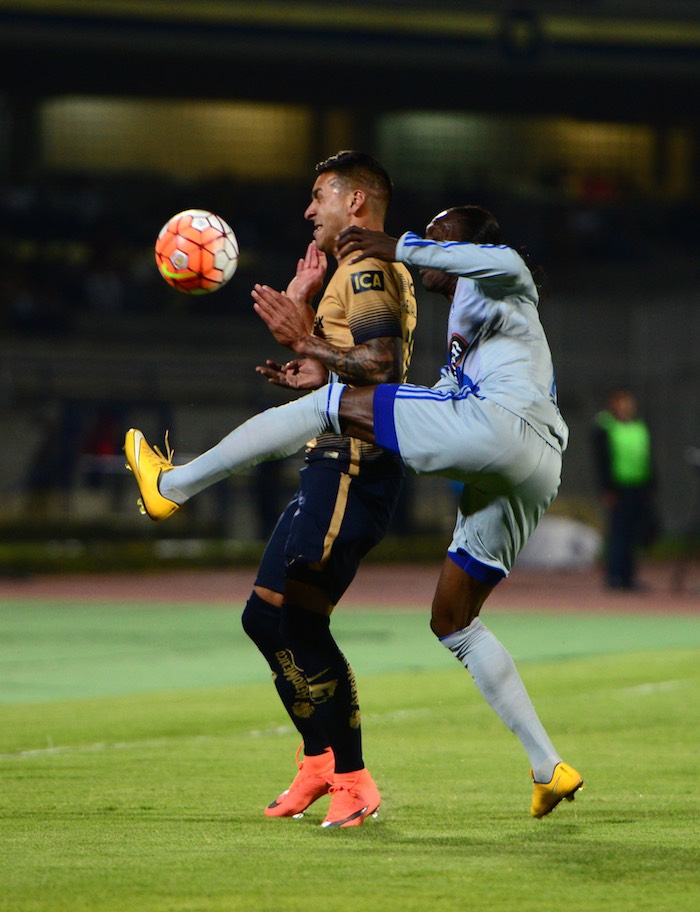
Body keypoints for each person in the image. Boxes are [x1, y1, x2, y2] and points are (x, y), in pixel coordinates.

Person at [125, 204, 584, 822]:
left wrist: (397, 244)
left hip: (501, 428)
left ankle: (173, 484)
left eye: (442, 231)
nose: (429, 237)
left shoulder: (502, 270)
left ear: (470, 242)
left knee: (332, 408)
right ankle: (547, 766)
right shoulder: (477, 316)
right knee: (454, 619)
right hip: (532, 464)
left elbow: (472, 262)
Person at [129, 151, 417, 829]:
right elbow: (348, 372)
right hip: (329, 458)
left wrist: (306, 334)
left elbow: (382, 366)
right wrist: (309, 363)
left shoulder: (371, 267)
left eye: (320, 196)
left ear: (357, 203)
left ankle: (354, 781)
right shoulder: (350, 271)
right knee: (263, 617)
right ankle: (319, 762)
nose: (308, 209)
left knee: (302, 620)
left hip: (356, 464)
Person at [592, 387, 656, 589]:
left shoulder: (638, 426)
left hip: (639, 488)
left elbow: (646, 458)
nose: (625, 406)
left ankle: (629, 578)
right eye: (621, 402)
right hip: (618, 489)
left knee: (633, 534)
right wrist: (607, 489)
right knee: (618, 533)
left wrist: (652, 485)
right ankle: (614, 577)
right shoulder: (605, 427)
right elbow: (602, 461)